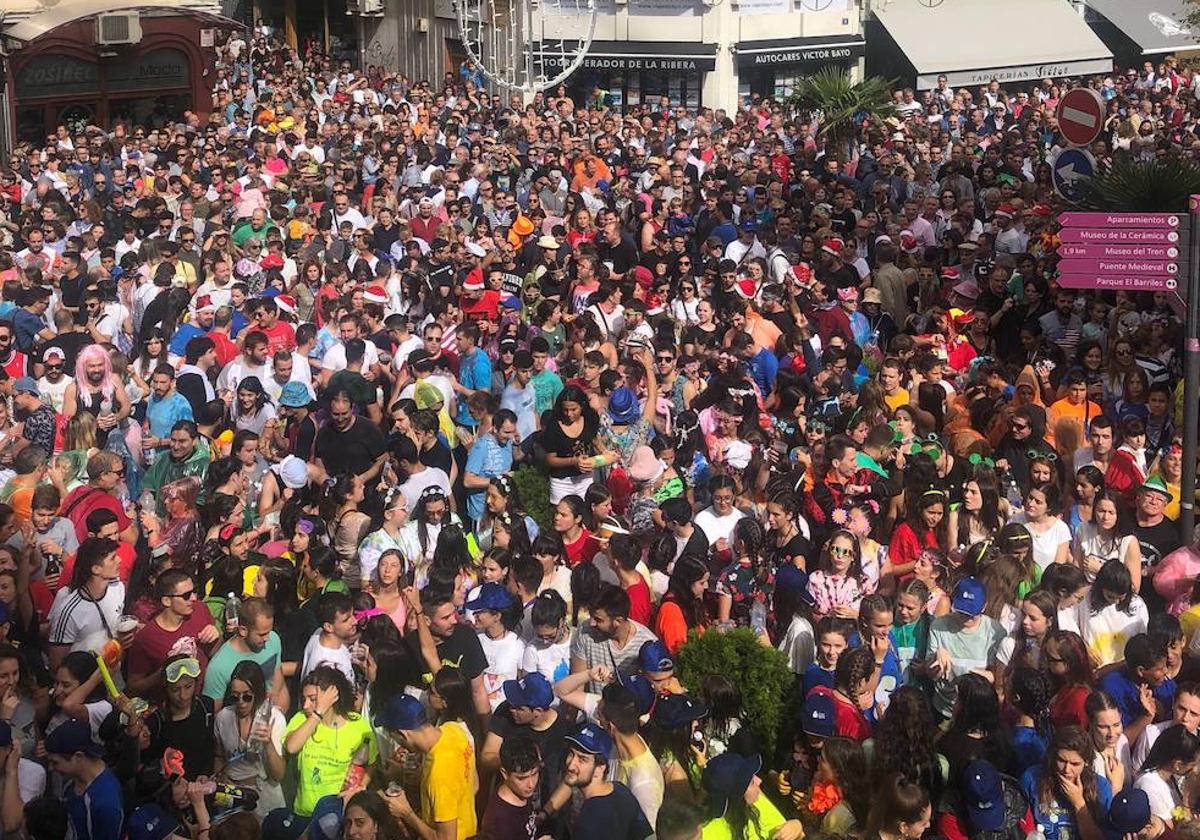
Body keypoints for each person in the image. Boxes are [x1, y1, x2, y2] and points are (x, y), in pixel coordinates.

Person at [374, 694, 476, 840]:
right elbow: (473, 784)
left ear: (403, 734)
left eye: (394, 737)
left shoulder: (438, 774)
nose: (397, 743)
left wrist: (406, 813)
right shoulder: (454, 730)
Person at [44, 719, 123, 840]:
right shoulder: (74, 778)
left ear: (78, 756)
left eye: (55, 762)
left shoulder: (106, 803)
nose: (50, 768)